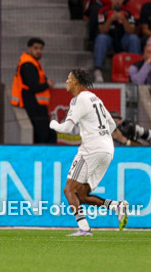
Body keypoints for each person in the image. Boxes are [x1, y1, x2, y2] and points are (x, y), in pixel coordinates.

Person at [49, 69, 126, 237]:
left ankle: (84, 228)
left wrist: (53, 124)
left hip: (90, 150)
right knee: (81, 194)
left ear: (76, 82)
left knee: (69, 189)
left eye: (68, 78)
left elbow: (68, 128)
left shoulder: (78, 100)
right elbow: (112, 125)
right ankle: (116, 206)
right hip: (107, 149)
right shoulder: (95, 98)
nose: (67, 81)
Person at [10, 38, 54, 144]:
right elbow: (33, 86)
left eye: (41, 48)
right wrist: (47, 84)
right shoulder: (28, 64)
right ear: (29, 48)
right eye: (36, 48)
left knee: (48, 134)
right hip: (33, 105)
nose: (39, 51)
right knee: (43, 135)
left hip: (36, 105)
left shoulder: (33, 62)